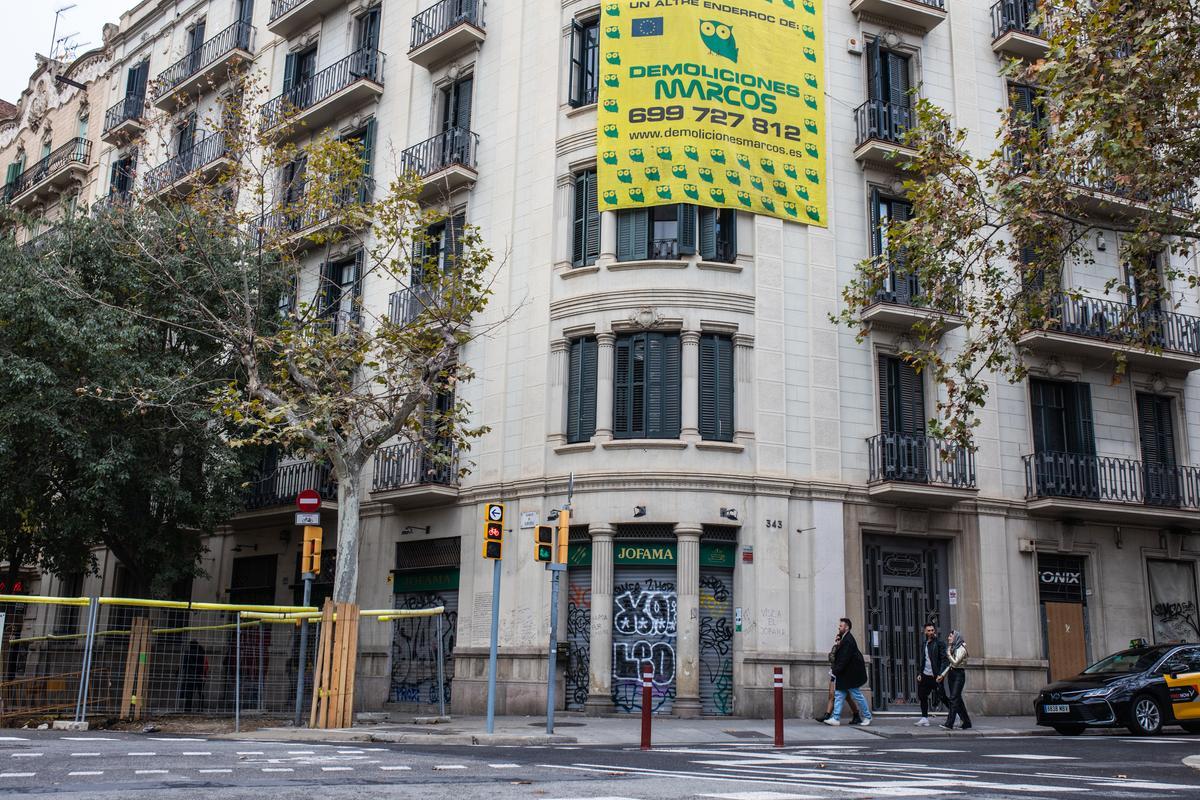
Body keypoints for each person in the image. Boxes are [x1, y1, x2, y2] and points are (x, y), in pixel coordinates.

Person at [824, 618, 872, 727]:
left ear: (847, 627)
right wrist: (838, 643)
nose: (839, 627)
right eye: (839, 626)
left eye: (841, 626)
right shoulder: (844, 639)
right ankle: (836, 718)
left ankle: (868, 717)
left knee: (857, 695)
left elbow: (844, 659)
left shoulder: (848, 640)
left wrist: (835, 671)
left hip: (850, 675)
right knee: (839, 694)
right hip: (846, 674)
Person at [816, 629, 862, 724]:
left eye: (838, 640)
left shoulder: (844, 649)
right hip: (834, 674)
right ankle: (827, 715)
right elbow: (831, 659)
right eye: (836, 640)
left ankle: (856, 715)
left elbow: (841, 661)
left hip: (843, 675)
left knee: (847, 697)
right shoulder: (836, 648)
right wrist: (835, 648)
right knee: (831, 695)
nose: (837, 641)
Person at [937, 629, 971, 730]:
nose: (948, 638)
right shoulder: (953, 648)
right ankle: (967, 722)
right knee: (957, 700)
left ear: (955, 637)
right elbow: (950, 665)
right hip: (952, 674)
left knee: (953, 699)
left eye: (950, 636)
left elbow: (955, 662)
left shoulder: (962, 649)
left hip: (959, 675)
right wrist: (942, 675)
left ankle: (949, 723)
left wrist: (948, 653)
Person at [915, 622, 948, 726]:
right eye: (928, 631)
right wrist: (920, 673)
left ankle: (954, 714)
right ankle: (924, 718)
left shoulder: (939, 643)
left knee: (942, 696)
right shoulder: (924, 644)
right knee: (922, 696)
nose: (931, 632)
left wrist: (940, 674)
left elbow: (944, 660)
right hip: (925, 674)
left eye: (932, 630)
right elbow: (923, 659)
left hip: (935, 675)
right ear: (925, 631)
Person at [180, 639, 206, 713]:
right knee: (200, 692)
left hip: (189, 675)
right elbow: (202, 665)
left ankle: (188, 709)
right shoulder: (201, 653)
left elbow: (184, 664)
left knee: (189, 693)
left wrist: (179, 671)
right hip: (199, 675)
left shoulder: (188, 653)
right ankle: (200, 708)